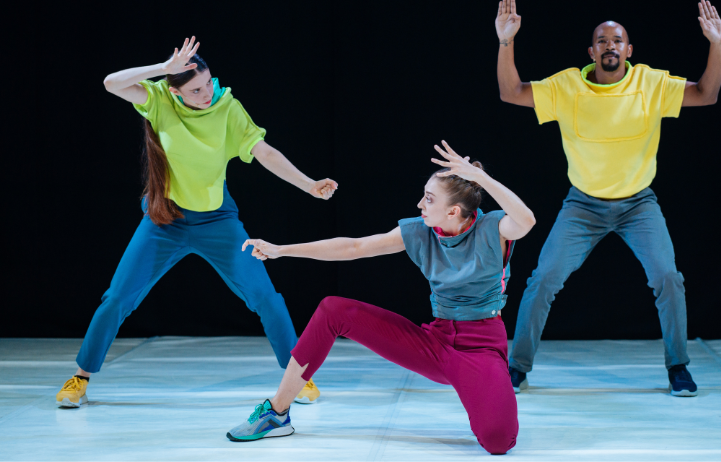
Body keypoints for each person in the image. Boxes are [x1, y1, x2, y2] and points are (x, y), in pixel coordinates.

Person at [55, 37, 337, 408]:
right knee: (118, 298)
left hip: (218, 222)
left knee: (265, 296)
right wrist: (163, 70)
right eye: (195, 90)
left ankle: (298, 378)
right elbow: (111, 83)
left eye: (208, 83)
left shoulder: (228, 108)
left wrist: (308, 184)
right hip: (165, 221)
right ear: (176, 91)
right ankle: (81, 376)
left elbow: (264, 152)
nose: (206, 93)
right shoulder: (158, 101)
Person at [224, 142, 536, 454]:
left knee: (499, 441)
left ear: (453, 210)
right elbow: (354, 247)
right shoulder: (420, 231)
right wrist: (282, 250)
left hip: (481, 346)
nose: (419, 204)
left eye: (429, 199)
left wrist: (481, 179)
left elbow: (526, 220)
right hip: (436, 342)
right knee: (333, 310)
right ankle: (276, 413)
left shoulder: (493, 228)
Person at [495, 0, 721, 397]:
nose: (610, 47)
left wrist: (717, 45)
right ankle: (517, 366)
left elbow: (706, 94)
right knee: (543, 279)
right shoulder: (567, 86)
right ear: (592, 51)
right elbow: (511, 91)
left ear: (629, 50)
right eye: (602, 41)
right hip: (583, 205)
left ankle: (678, 368)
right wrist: (505, 42)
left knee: (668, 278)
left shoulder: (650, 83)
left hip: (639, 204)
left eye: (617, 40)